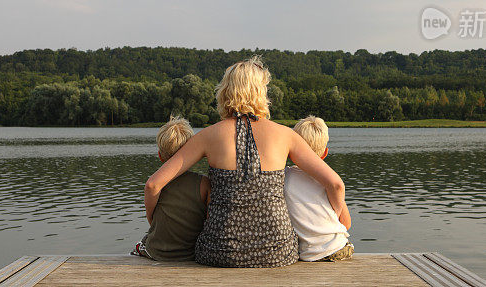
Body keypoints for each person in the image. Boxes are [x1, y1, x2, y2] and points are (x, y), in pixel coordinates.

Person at [144, 56, 350, 268]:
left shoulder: (207, 136)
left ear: (224, 92)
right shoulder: (286, 135)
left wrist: (152, 223)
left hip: (219, 252)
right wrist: (333, 218)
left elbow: (153, 185)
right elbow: (335, 184)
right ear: (261, 93)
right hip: (278, 253)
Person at [132, 115, 210, 261]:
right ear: (192, 155)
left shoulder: (157, 184)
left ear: (160, 156)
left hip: (157, 253)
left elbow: (152, 219)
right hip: (191, 254)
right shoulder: (204, 184)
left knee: (141, 243)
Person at [285, 116, 353, 261]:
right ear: (325, 153)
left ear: (291, 153)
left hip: (305, 254)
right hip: (338, 248)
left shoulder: (285, 177)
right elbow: (346, 223)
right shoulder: (328, 180)